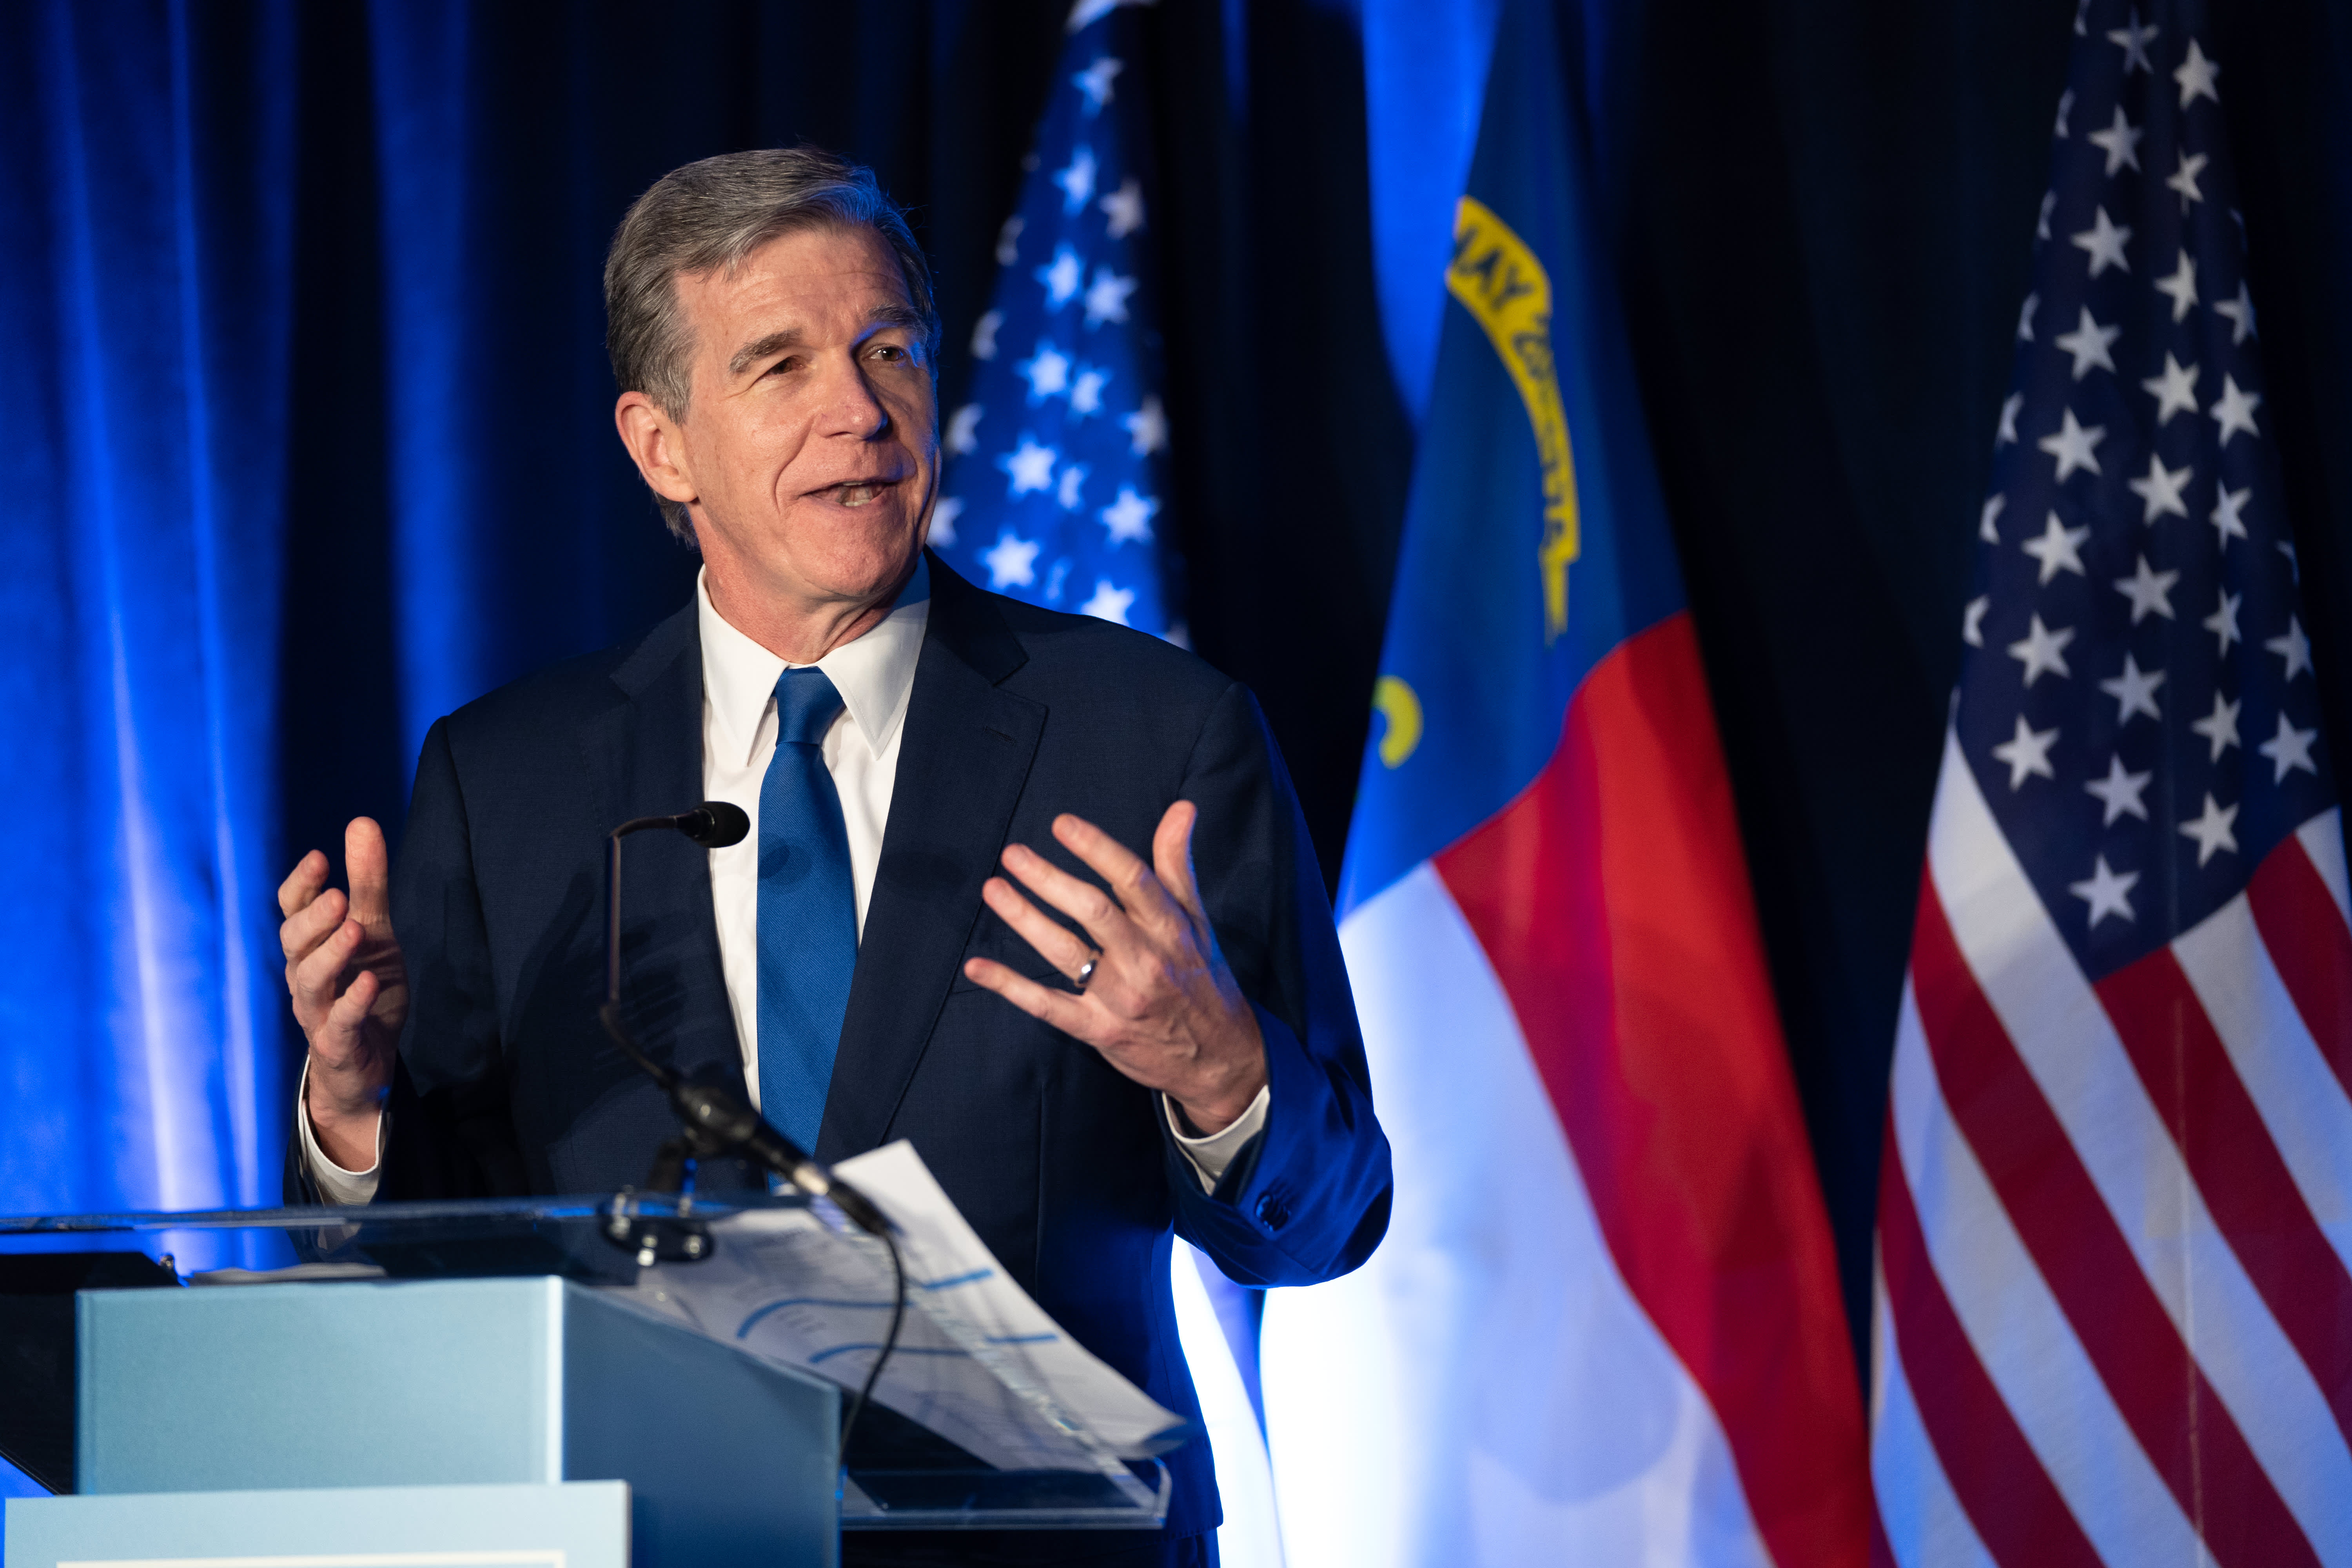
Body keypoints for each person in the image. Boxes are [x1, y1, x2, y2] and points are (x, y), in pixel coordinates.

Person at [275, 146, 1390, 1566]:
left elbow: (1326, 1224)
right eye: (779, 367)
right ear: (661, 443)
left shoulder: (1154, 742)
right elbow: (422, 1270)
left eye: (888, 350)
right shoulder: (509, 782)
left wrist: (1225, 1079)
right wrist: (355, 1110)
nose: (858, 413)